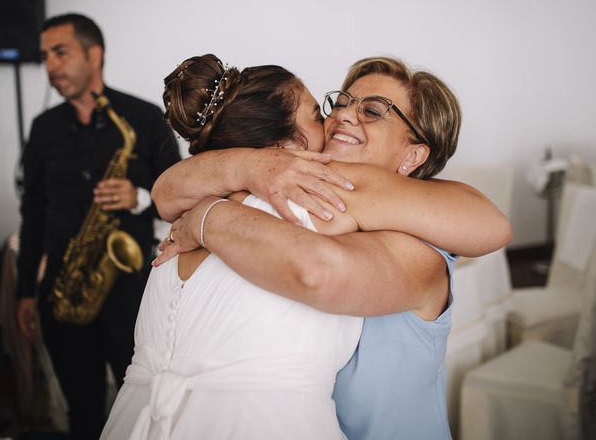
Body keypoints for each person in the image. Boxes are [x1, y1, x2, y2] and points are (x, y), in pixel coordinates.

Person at [103, 54, 510, 439]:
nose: (342, 115)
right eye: (341, 102)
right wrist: (243, 168)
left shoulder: (419, 245)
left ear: (412, 155)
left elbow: (492, 225)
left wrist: (210, 216)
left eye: (372, 110)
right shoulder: (298, 199)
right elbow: (167, 192)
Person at [15, 13, 181, 439]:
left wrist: (141, 197)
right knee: (83, 413)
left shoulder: (144, 119)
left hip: (129, 289)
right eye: (45, 56)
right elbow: (32, 212)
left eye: (60, 52)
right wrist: (24, 293)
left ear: (94, 54)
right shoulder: (43, 128)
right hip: (63, 288)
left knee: (142, 408)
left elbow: (184, 198)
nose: (50, 65)